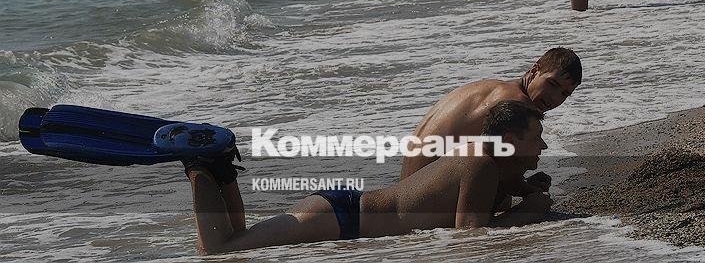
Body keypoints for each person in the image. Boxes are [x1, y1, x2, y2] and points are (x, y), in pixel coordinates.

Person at [185, 100, 552, 254]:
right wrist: (528, 212)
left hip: (344, 211)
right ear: (509, 140)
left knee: (234, 239)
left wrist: (523, 189)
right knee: (218, 250)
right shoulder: (481, 164)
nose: (543, 145)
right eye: (536, 137)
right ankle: (199, 165)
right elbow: (469, 237)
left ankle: (221, 168)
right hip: (343, 217)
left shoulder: (480, 159)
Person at [401, 47, 581, 185]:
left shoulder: (491, 87)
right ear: (535, 70)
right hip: (426, 200)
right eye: (552, 84)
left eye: (564, 94)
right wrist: (524, 190)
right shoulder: (517, 103)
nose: (554, 98)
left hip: (407, 191)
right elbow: (504, 173)